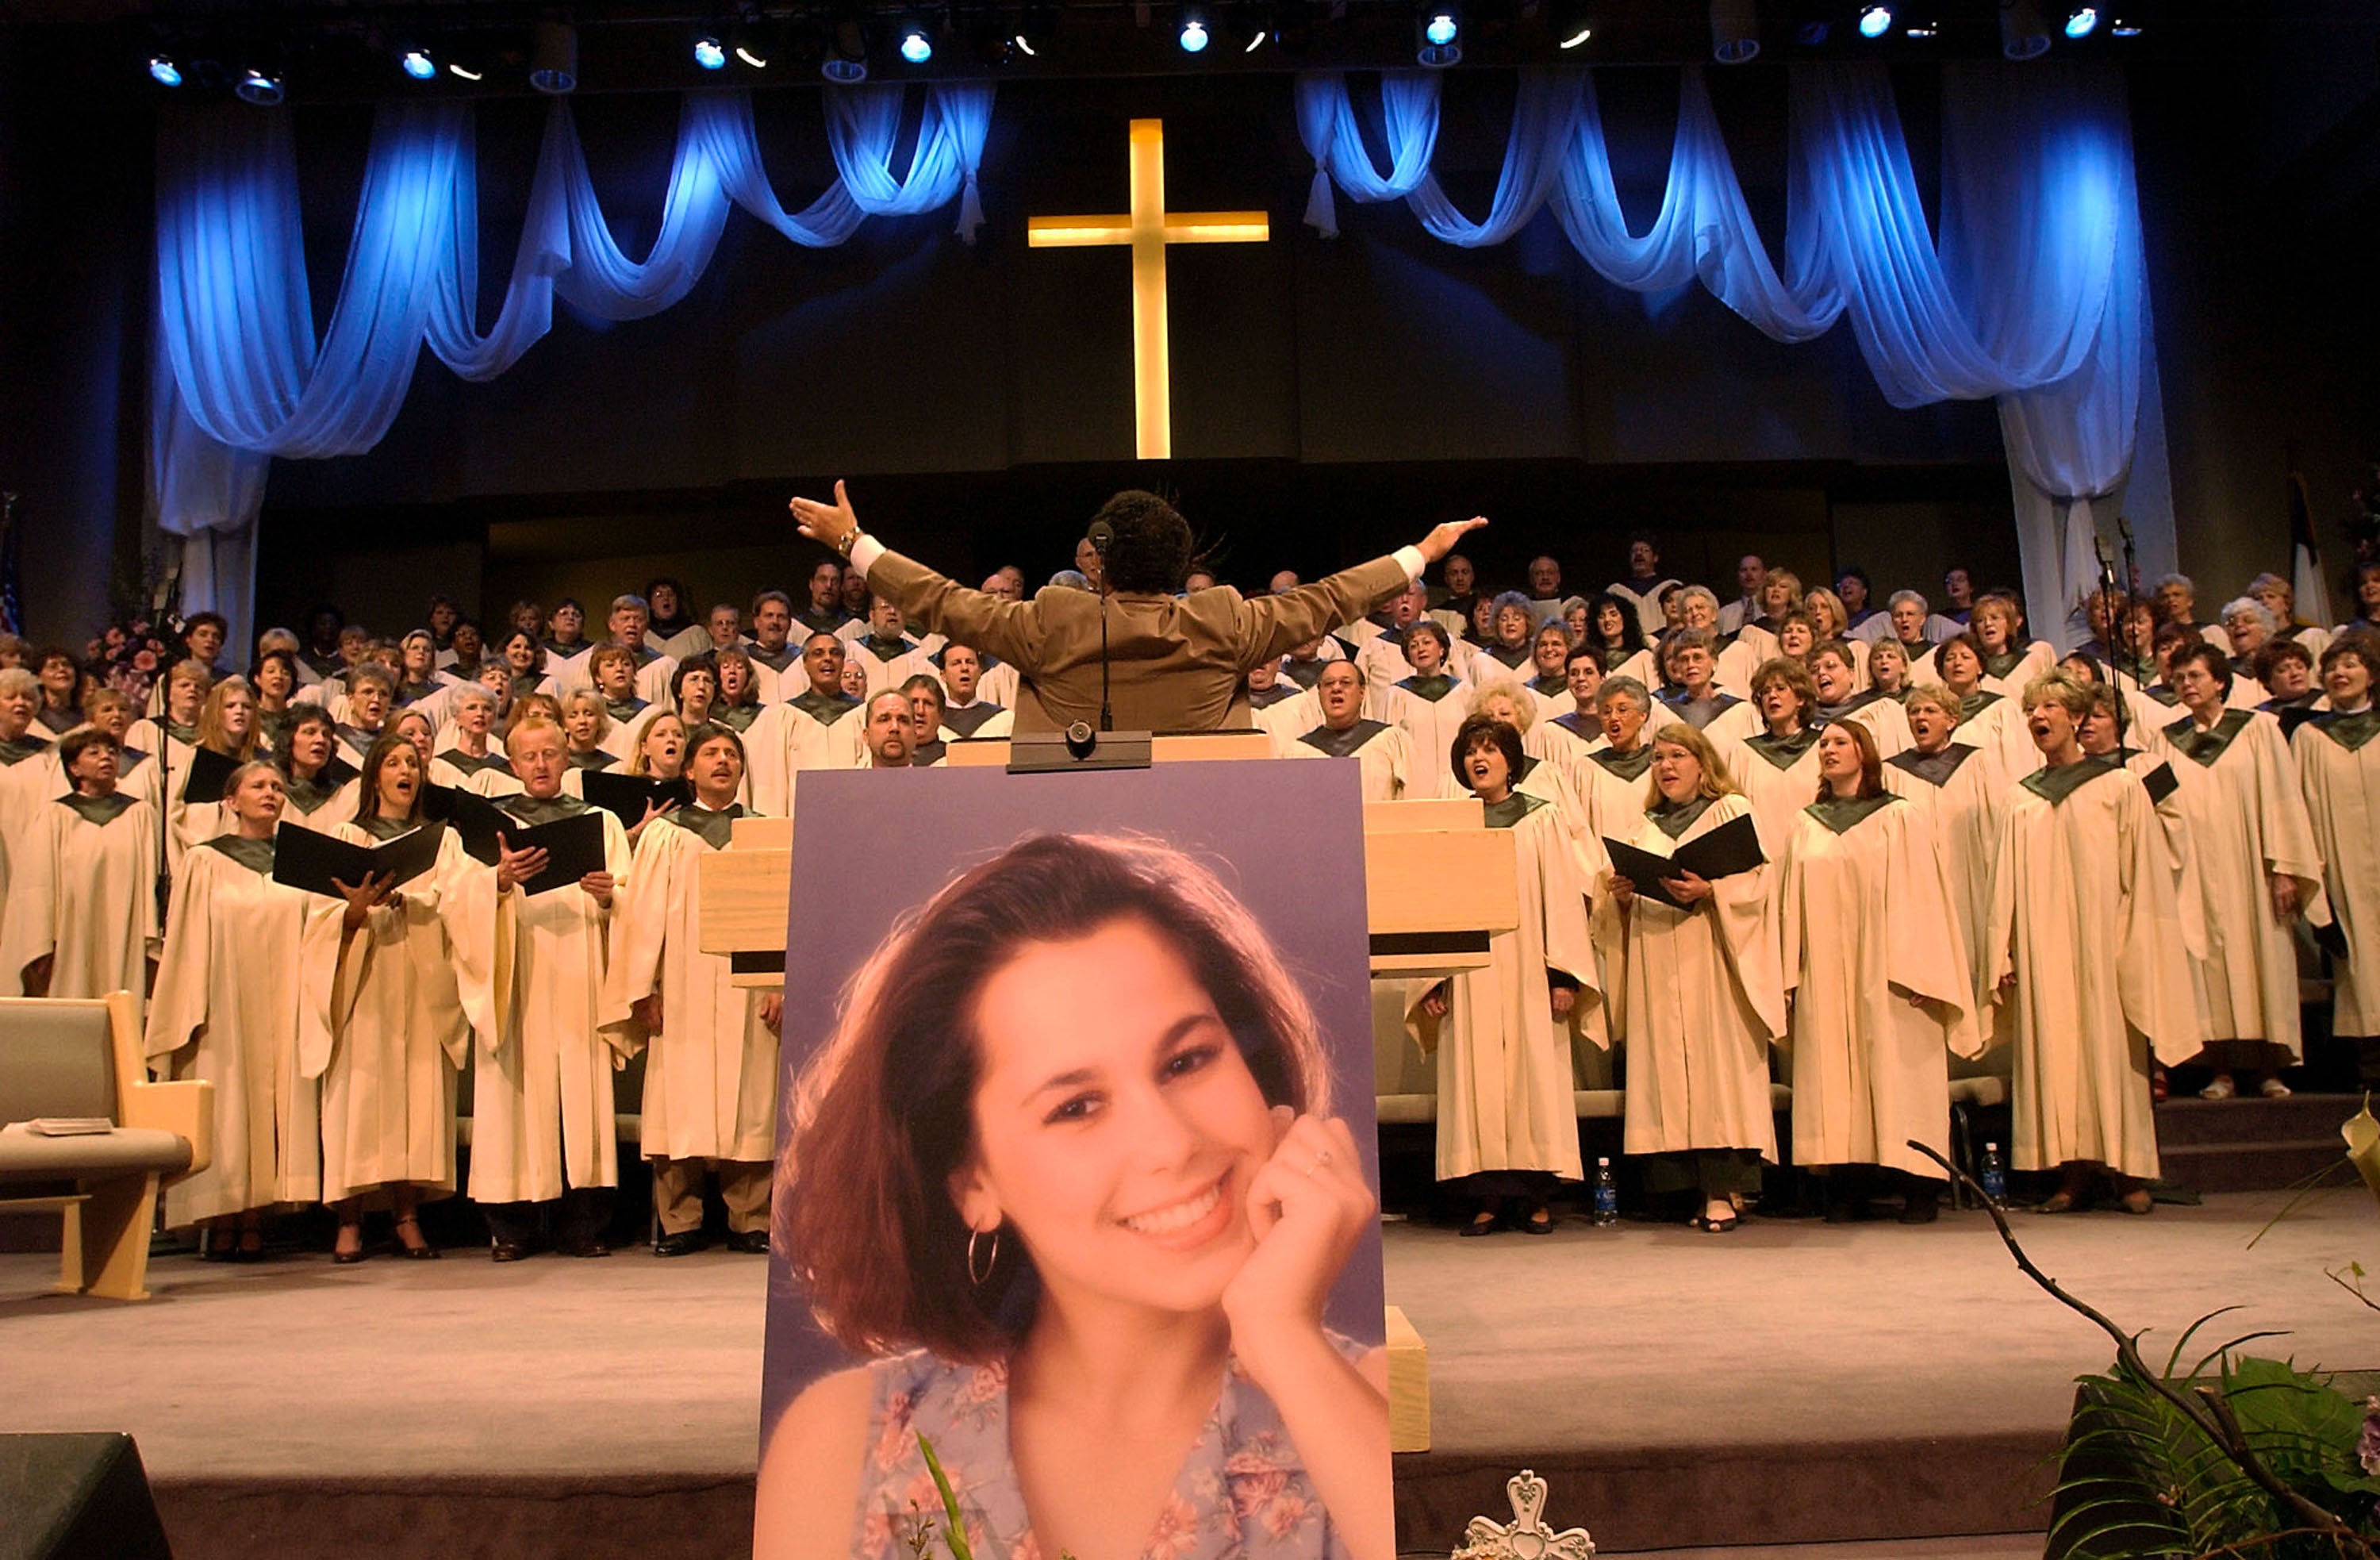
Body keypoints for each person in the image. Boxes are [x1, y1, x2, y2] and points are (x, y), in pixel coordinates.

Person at [756, 832, 1389, 1560]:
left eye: (1187, 1060)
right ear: (972, 1183)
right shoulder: (843, 1449)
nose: (1171, 1144)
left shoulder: (1365, 1407)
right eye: (1076, 1107)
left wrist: (1284, 1339)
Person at [790, 482, 1480, 734]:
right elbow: (1331, 599)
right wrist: (1419, 552)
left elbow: (938, 602)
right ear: (1181, 566)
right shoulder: (1225, 619)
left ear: (1098, 559)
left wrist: (852, 541)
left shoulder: (1052, 620)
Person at [1982, 674, 2198, 1214]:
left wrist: (2136, 938)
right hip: (2041, 941)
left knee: (2110, 1051)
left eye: (2050, 706)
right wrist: (2004, 948)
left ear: (2077, 718)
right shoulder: (2019, 799)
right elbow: (2002, 880)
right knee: (2058, 1054)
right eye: (2032, 708)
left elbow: (2142, 872)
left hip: (2105, 939)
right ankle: (2070, 1172)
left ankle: (2128, 1172)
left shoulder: (2119, 786)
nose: (2039, 716)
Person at [1778, 721, 1980, 1224]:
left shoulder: (1899, 816)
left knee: (1898, 1073)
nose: (1828, 749)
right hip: (1826, 971)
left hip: (1891, 969)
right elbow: (1789, 905)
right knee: (1836, 1076)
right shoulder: (1807, 822)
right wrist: (1791, 973)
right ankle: (1849, 1182)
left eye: (1839, 742)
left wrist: (1924, 972)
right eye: (1823, 744)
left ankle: (1920, 1184)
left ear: (1865, 753)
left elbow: (1924, 896)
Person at [449, 716, 634, 1261]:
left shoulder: (597, 821)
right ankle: (512, 1226)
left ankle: (584, 1223)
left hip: (579, 965)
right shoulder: (490, 827)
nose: (541, 765)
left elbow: (630, 898)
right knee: (513, 1094)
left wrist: (606, 897)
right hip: (518, 970)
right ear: (512, 764)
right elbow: (456, 902)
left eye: (551, 754)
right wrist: (498, 881)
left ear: (566, 759)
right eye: (529, 756)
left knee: (583, 1096)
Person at [1415, 716, 1601, 1236]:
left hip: (1527, 968)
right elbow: (1435, 907)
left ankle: (1537, 1198)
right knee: (1478, 1084)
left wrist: (1562, 976)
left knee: (1532, 1079)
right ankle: (1488, 1197)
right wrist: (1436, 978)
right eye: (1472, 751)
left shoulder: (1541, 821)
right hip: (1471, 973)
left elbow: (1561, 902)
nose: (1481, 759)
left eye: (1491, 750)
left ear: (1511, 761)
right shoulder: (1451, 823)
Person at [601, 724, 782, 1258]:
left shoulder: (765, 831)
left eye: (731, 754)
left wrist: (780, 982)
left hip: (747, 984)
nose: (722, 761)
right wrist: (645, 988)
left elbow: (782, 916)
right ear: (689, 770)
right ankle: (679, 1218)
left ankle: (751, 1217)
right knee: (678, 1096)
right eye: (710, 753)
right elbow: (642, 916)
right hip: (681, 983)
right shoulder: (666, 834)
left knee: (753, 1099)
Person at [1598, 724, 1786, 1232]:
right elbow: (1624, 900)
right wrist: (1620, 894)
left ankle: (1725, 1188)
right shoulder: (1645, 825)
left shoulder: (1730, 811)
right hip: (1659, 958)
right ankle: (1687, 1186)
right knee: (1670, 1071)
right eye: (1658, 758)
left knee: (1717, 1070)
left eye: (1678, 755)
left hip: (1715, 961)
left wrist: (1712, 891)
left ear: (1703, 763)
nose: (1667, 766)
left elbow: (1760, 884)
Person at [301, 734, 472, 1262]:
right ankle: (349, 1220)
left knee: (415, 1099)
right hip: (365, 974)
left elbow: (462, 900)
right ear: (373, 776)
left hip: (420, 975)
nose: (407, 771)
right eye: (395, 763)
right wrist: (354, 911)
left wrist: (414, 902)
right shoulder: (346, 834)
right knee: (360, 1096)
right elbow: (319, 915)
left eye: (413, 764)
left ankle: (407, 1215)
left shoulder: (441, 842)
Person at [145, 759, 321, 1258]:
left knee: (271, 1104)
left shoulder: (298, 859)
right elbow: (184, 940)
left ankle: (255, 1218)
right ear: (231, 801)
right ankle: (221, 1217)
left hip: (284, 998)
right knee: (229, 1106)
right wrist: (188, 1008)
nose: (271, 793)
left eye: (277, 787)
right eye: (258, 786)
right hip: (224, 1003)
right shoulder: (204, 861)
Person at [2156, 644, 2326, 1100]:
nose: (2187, 685)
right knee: (2206, 966)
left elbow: (2281, 798)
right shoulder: (2165, 739)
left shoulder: (2259, 729)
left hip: (2251, 868)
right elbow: (2155, 804)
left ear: (2220, 681)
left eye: (2195, 676)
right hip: (2193, 874)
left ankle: (2271, 1067)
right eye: (2179, 679)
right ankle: (2222, 1069)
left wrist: (2284, 868)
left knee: (2262, 960)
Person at [0, 728, 161, 1007]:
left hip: (125, 929)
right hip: (71, 931)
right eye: (94, 752)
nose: (106, 758)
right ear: (74, 767)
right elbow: (37, 883)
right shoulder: (55, 815)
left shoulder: (140, 814)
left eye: (112, 752)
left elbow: (150, 881)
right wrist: (42, 938)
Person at [1881, 686, 2007, 1003]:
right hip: (1917, 880)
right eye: (1913, 712)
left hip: (1968, 872)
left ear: (1951, 720)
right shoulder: (1893, 771)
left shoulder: (1977, 762)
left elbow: (1993, 827)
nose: (1919, 718)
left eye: (1929, 711)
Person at [2294, 639, 2380, 1084]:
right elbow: (2302, 807)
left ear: (2372, 674)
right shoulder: (2311, 736)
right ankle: (2372, 1062)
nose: (2340, 673)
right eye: (2331, 668)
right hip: (2343, 867)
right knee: (2361, 964)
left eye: (2351, 664)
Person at [747, 632, 868, 817]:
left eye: (834, 653)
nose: (828, 658)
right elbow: (773, 787)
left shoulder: (863, 715)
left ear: (843, 662)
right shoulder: (785, 717)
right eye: (818, 653)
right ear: (805, 664)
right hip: (800, 823)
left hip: (856, 819)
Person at [1727, 658, 1826, 852]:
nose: (1772, 696)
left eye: (1781, 688)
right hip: (1765, 860)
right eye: (1765, 692)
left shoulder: (1822, 746)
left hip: (1814, 854)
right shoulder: (1744, 753)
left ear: (1800, 699)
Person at [1370, 622, 1470, 801]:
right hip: (1414, 790)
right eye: (1413, 646)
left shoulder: (1463, 692)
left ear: (1441, 650)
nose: (1420, 649)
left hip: (1457, 788)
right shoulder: (1396, 695)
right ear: (1408, 656)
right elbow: (1388, 747)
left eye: (1426, 642)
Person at [1288, 660, 1410, 801]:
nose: (1336, 688)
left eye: (1345, 683)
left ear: (1362, 692)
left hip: (1378, 823)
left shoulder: (1390, 741)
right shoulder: (1298, 752)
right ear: (1319, 693)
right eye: (1328, 684)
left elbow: (1413, 803)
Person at [1810, 640, 1911, 759]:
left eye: (1830, 666)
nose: (1821, 672)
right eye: (1814, 670)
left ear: (1851, 675)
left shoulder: (1879, 711)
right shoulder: (1805, 721)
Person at [276, 708, 363, 833]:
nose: (321, 740)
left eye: (326, 735)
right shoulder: (271, 790)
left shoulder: (342, 796)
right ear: (288, 739)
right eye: (310, 732)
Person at [1607, 534, 1680, 639]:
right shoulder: (1616, 591)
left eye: (1645, 550)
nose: (1639, 554)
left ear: (1655, 558)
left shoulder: (1671, 588)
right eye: (1634, 551)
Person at [1245, 656, 1317, 755]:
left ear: (1279, 661)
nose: (1259, 661)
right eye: (1253, 654)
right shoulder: (1227, 707)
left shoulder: (1302, 703)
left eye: (1267, 654)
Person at [861, 689, 917, 769]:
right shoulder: (847, 781)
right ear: (866, 735)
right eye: (884, 720)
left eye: (903, 721)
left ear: (915, 735)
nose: (895, 727)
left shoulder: (934, 781)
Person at [901, 676, 950, 766]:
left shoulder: (953, 758)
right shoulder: (885, 758)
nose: (920, 711)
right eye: (913, 702)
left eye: (928, 704)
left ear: (941, 715)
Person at [1719, 555, 1765, 634]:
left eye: (1754, 569)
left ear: (1764, 574)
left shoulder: (1773, 610)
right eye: (1744, 570)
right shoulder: (1725, 613)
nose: (1749, 574)